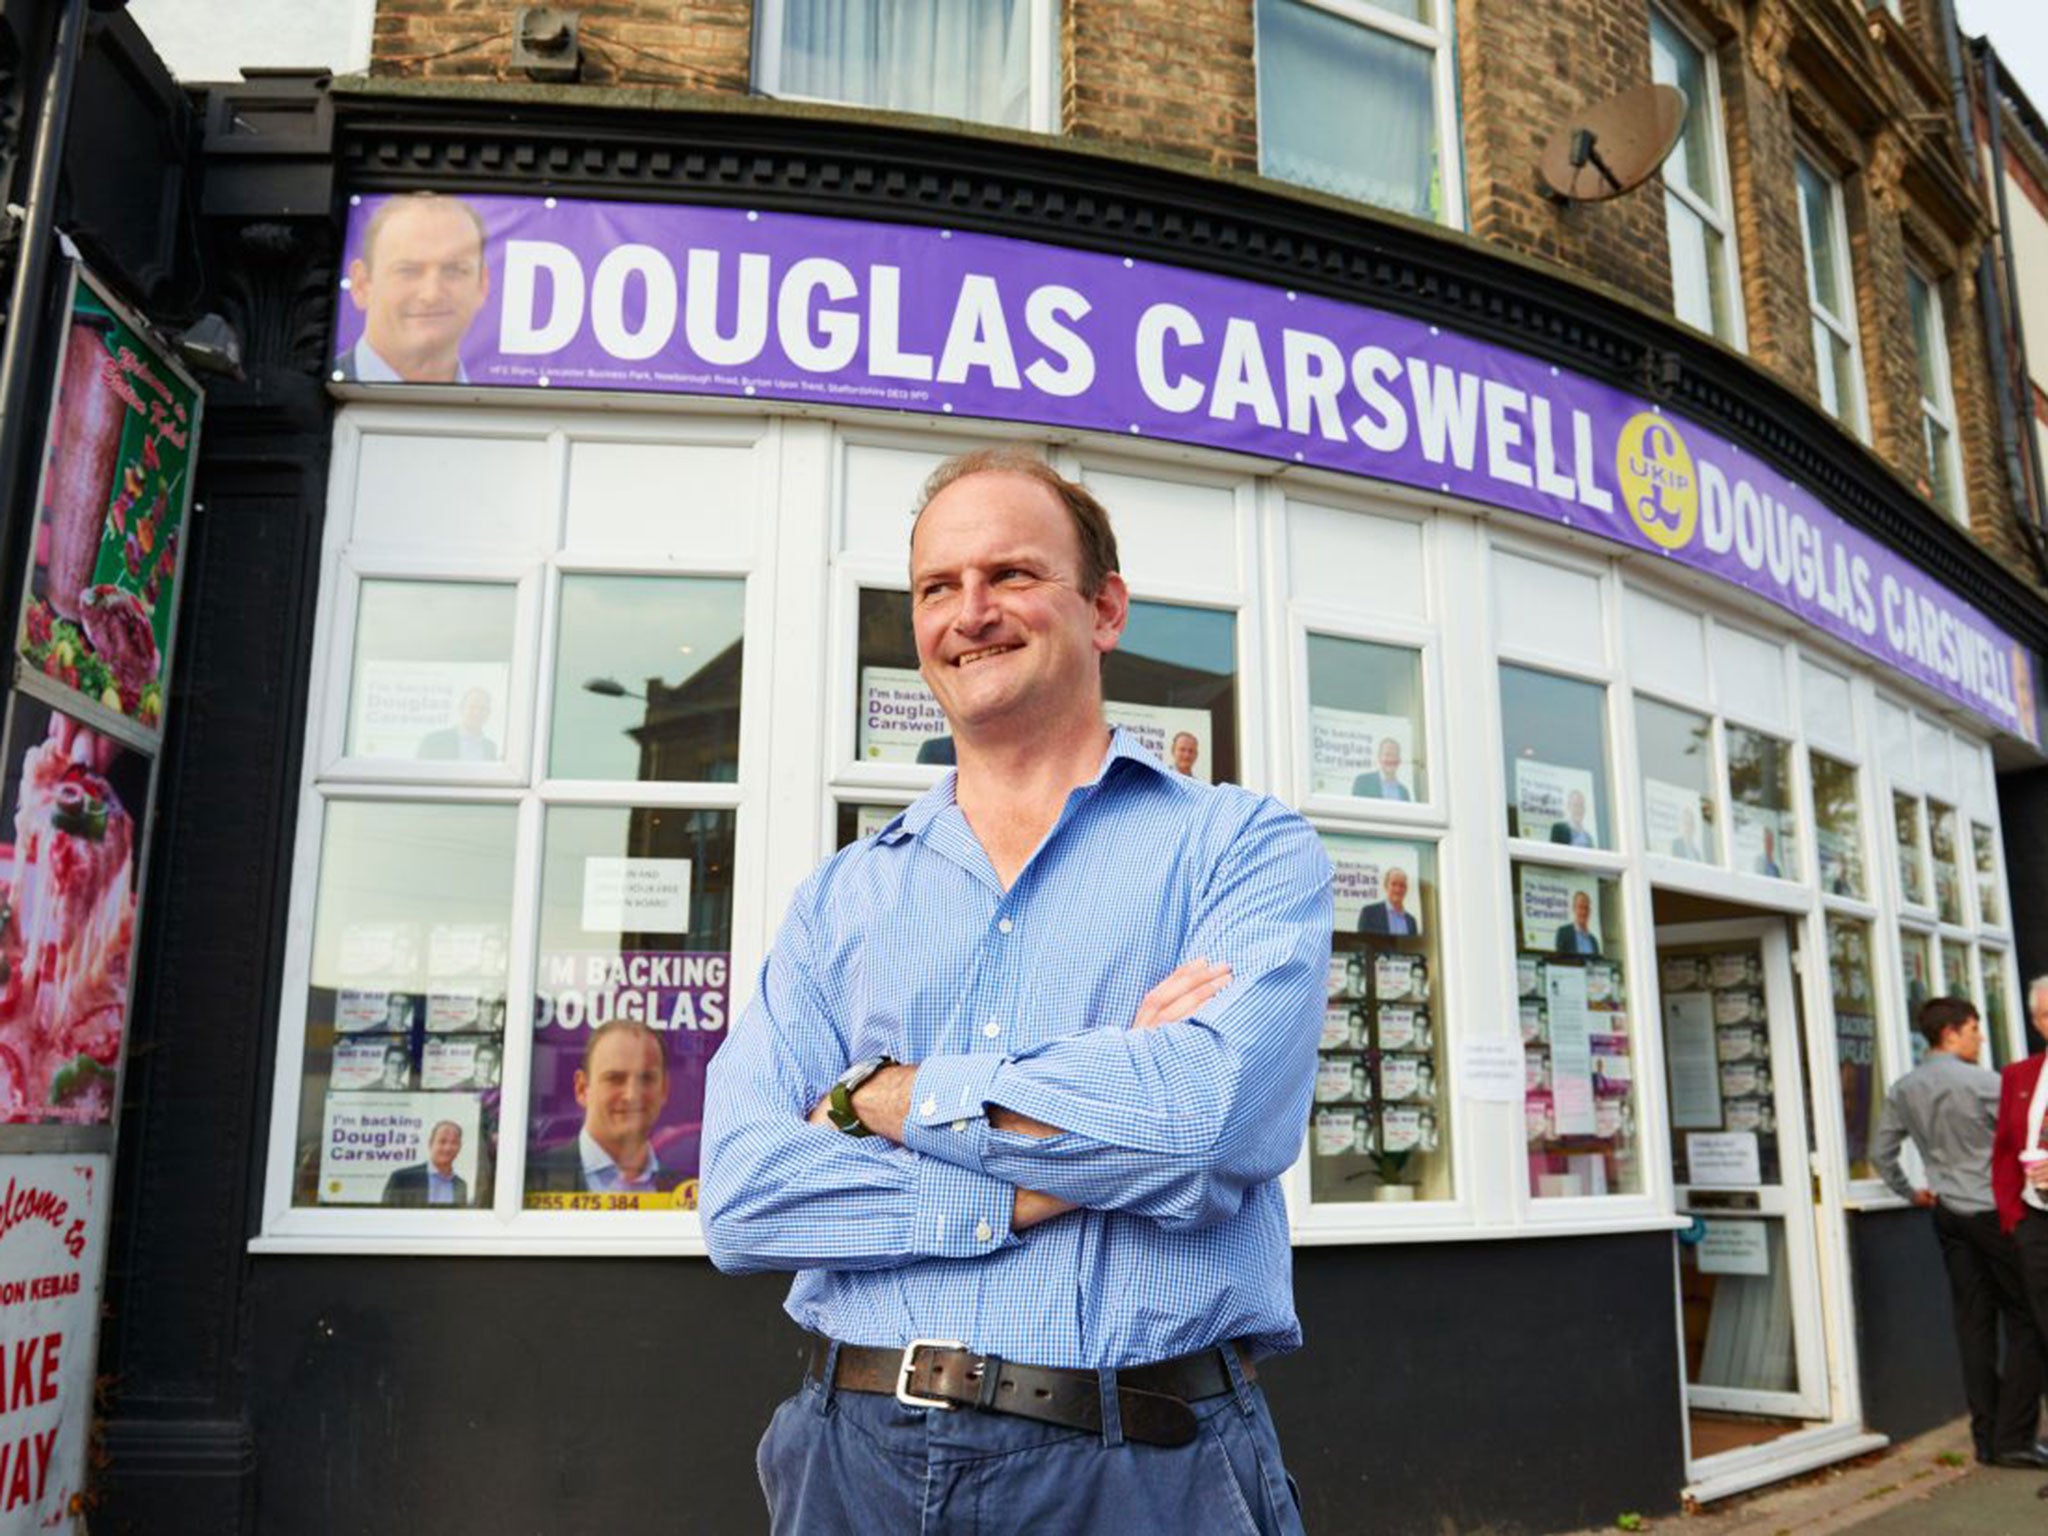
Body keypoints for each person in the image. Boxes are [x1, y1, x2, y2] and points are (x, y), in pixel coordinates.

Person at [701, 446, 1328, 1535]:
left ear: (1105, 609)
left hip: (1138, 1469)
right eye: (938, 587)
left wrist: (882, 1100)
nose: (970, 612)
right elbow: (746, 1195)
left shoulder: (1241, 849)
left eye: (1011, 575)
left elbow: (1201, 1118)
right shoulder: (839, 900)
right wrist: (1072, 1157)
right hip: (852, 1465)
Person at [1885, 995, 2046, 1468]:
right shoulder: (1985, 1083)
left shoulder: (1902, 1088)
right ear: (1951, 1033)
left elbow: (1883, 1151)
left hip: (1947, 1214)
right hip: (1994, 1213)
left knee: (1972, 1323)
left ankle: (1985, 1439)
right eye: (1975, 1029)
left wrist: (1910, 1192)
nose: (1979, 1038)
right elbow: (2021, 1138)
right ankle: (2013, 1437)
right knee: (2028, 1320)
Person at [334, 192, 490, 383]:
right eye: (408, 271)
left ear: (482, 284)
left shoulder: (504, 409)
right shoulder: (304, 396)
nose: (431, 294)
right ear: (362, 285)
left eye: (454, 270)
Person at [527, 1019, 671, 1194]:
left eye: (646, 1078)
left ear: (663, 1089)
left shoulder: (687, 1192)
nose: (631, 1095)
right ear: (582, 1089)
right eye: (615, 1079)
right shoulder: (530, 1182)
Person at [381, 1120, 468, 1208]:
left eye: (454, 1143)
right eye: (442, 1141)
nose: (448, 1148)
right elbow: (386, 1217)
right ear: (430, 1144)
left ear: (459, 1147)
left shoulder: (460, 1185)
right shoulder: (401, 1179)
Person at [417, 687, 499, 761]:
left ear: (489, 713)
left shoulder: (490, 748)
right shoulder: (433, 741)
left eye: (483, 709)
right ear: (461, 709)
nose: (477, 712)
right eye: (472, 707)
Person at [1357, 866, 1421, 936]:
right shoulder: (1369, 913)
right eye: (1393, 884)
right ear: (1386, 886)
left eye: (1402, 885)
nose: (1398, 890)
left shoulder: (1411, 921)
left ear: (1406, 889)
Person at [1553, 889, 1599, 955]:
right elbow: (1559, 962)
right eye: (1580, 907)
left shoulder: (1593, 941)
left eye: (1586, 908)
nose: (1583, 912)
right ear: (1574, 908)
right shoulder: (1564, 933)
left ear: (1589, 911)